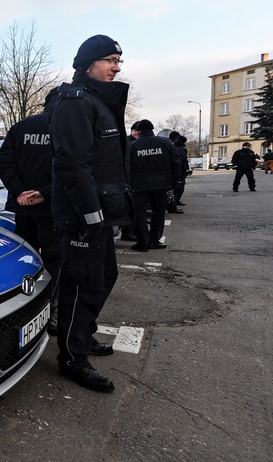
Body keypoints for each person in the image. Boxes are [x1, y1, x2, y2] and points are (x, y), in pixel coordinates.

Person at [49, 34, 132, 393]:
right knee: (82, 286)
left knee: (104, 276)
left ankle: (81, 335)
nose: (116, 67)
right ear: (86, 64)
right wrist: (91, 213)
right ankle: (72, 357)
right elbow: (72, 164)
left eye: (119, 61)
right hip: (84, 217)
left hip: (101, 214)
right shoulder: (76, 102)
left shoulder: (99, 101)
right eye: (110, 60)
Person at [0, 98, 61, 336]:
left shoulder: (21, 126)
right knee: (54, 263)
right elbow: (72, 169)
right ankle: (48, 313)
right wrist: (43, 194)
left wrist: (19, 191)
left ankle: (21, 310)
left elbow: (3, 163)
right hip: (52, 209)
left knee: (24, 261)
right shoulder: (65, 126)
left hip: (23, 208)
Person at [128, 120, 177, 252]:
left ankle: (142, 242)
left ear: (138, 131)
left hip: (139, 187)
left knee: (139, 214)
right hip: (161, 185)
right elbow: (175, 163)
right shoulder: (165, 143)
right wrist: (173, 183)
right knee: (159, 213)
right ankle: (154, 241)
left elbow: (127, 167)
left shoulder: (132, 146)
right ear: (152, 129)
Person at [166, 131, 185, 214]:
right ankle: (172, 206)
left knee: (172, 191)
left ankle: (172, 205)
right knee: (173, 190)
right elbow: (177, 161)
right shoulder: (173, 146)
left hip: (168, 172)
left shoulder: (168, 144)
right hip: (172, 172)